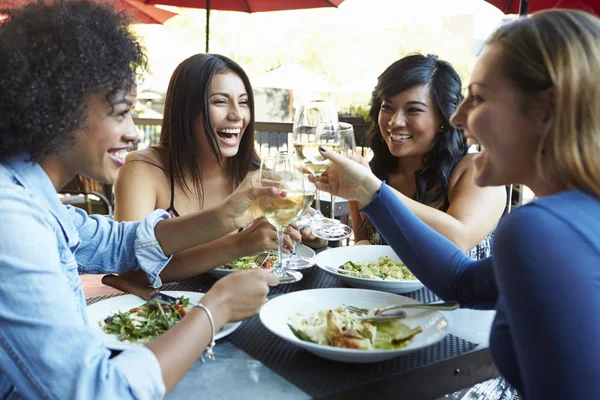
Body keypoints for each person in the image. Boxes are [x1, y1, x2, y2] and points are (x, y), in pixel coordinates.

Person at [312, 9, 600, 399]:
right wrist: (371, 193)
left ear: (544, 112)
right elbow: (461, 282)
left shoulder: (538, 230)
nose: (459, 117)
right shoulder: (577, 214)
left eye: (477, 99)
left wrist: (375, 191)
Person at [0, 2, 281, 398]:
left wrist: (226, 215)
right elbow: (96, 391)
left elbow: (121, 241)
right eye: (120, 113)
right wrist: (214, 310)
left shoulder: (32, 194)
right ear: (59, 110)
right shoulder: (11, 220)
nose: (133, 133)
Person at [114, 53, 326, 283]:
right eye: (220, 101)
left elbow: (302, 224)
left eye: (243, 102)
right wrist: (240, 244)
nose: (237, 115)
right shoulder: (143, 170)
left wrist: (310, 234)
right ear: (186, 109)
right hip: (172, 308)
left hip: (249, 299)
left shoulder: (253, 176)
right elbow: (131, 271)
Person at [349, 54, 506, 259]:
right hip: (383, 292)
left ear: (443, 118)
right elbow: (362, 238)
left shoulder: (480, 170)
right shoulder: (375, 173)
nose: (395, 122)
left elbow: (458, 240)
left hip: (457, 292)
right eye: (387, 107)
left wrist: (375, 191)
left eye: (413, 110)